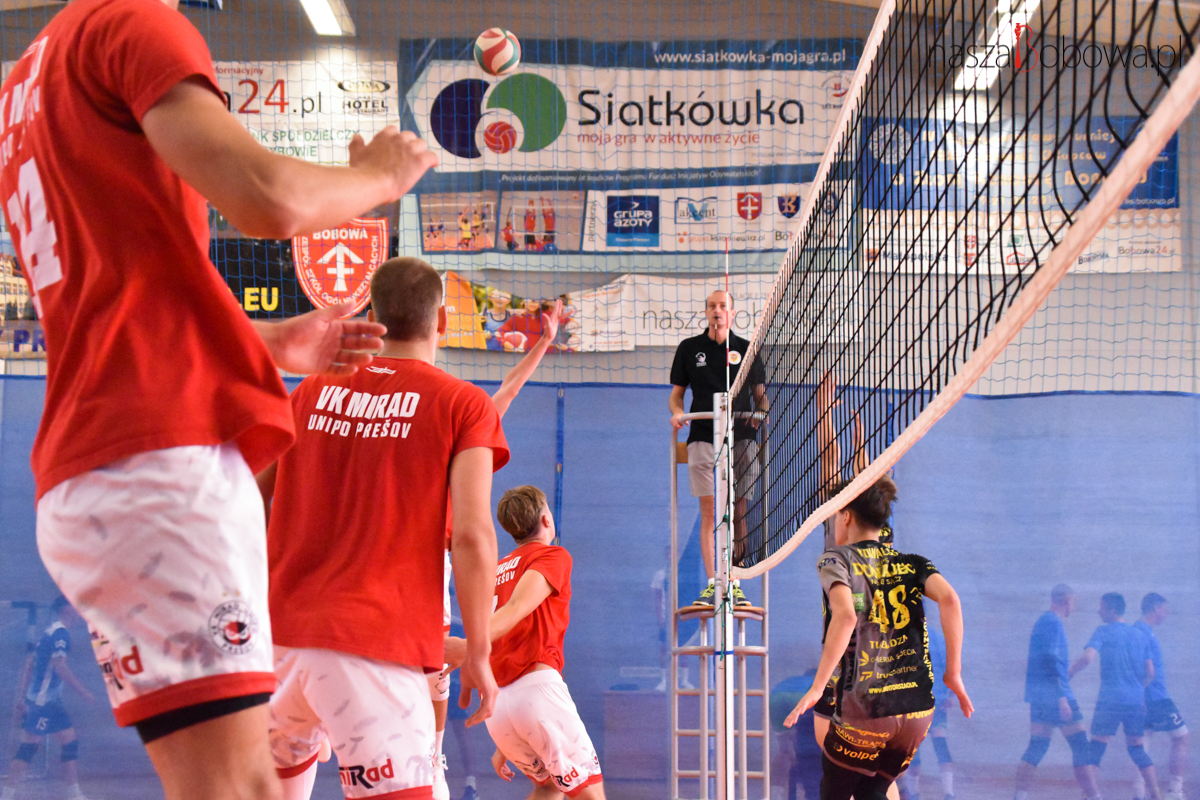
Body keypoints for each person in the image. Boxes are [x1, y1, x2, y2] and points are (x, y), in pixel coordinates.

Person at [2, 0, 431, 795]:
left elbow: (114, 304)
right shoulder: (133, 24)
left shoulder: (30, 73)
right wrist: (380, 176)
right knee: (242, 788)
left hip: (97, 470)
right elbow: (268, 197)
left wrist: (260, 344)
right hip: (160, 465)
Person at [259, 257, 510, 800]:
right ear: (441, 321)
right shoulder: (462, 403)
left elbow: (251, 494)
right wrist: (479, 653)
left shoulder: (310, 390)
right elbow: (472, 536)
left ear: (372, 317)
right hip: (374, 649)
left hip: (280, 646)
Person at [428, 300, 562, 800]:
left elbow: (506, 391)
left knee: (434, 672)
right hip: (415, 565)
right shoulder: (417, 431)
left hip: (430, 567)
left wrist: (543, 343)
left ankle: (431, 757)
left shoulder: (459, 432)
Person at [782, 475, 973, 800]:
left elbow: (846, 616)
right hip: (917, 712)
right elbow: (951, 600)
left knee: (835, 790)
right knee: (873, 791)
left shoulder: (835, 559)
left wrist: (816, 686)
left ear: (845, 516)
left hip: (867, 708)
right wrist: (953, 673)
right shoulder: (914, 563)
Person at [458, 485, 605, 800]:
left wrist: (506, 741)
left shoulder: (497, 570)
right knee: (590, 794)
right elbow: (514, 610)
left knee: (547, 787)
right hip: (535, 692)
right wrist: (466, 646)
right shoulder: (553, 555)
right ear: (546, 519)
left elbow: (504, 635)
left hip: (500, 707)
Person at [669, 290, 767, 606]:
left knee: (738, 510)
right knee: (710, 511)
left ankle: (734, 583)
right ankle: (715, 583)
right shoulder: (689, 349)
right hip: (702, 435)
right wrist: (677, 413)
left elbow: (761, 398)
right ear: (706, 312)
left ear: (732, 314)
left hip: (741, 438)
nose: (717, 310)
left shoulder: (747, 350)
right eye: (712, 306)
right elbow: (676, 396)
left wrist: (760, 414)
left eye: (723, 306)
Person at [2, 597, 95, 800]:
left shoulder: (49, 632)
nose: (78, 611)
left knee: (69, 742)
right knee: (29, 747)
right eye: (74, 607)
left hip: (51, 703)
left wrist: (23, 697)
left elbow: (30, 665)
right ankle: (6, 795)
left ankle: (74, 794)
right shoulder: (59, 633)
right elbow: (60, 666)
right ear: (66, 609)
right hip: (42, 703)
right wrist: (83, 691)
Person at [1013, 584, 1099, 800]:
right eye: (1074, 601)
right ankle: (1094, 797)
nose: (1074, 606)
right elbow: (1050, 660)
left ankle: (1019, 796)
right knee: (1081, 747)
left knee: (1037, 747)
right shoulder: (1052, 622)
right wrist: (1061, 696)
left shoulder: (1044, 622)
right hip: (1056, 696)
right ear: (1067, 600)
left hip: (1041, 697)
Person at [1070, 593, 1159, 800]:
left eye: (1102, 607)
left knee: (1096, 750)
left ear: (1111, 610)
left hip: (1109, 701)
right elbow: (1151, 673)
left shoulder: (1103, 631)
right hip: (1135, 702)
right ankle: (1156, 795)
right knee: (1138, 750)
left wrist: (1069, 673)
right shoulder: (1140, 635)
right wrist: (1137, 689)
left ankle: (1090, 796)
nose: (1098, 611)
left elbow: (1088, 658)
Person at [1135, 594, 1188, 800]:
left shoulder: (1141, 630)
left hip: (1145, 699)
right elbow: (1146, 670)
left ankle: (1139, 793)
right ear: (1156, 608)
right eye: (1164, 609)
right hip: (1156, 697)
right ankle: (1174, 792)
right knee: (1181, 737)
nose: (1166, 613)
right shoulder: (1143, 632)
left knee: (1142, 743)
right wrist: (1142, 692)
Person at [899, 601, 954, 800]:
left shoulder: (904, 639)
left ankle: (916, 794)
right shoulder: (936, 638)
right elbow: (950, 667)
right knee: (936, 745)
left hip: (919, 703)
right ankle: (947, 793)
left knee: (916, 749)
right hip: (930, 701)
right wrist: (951, 695)